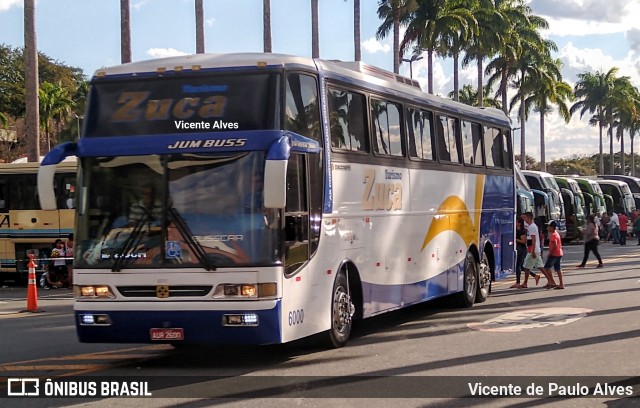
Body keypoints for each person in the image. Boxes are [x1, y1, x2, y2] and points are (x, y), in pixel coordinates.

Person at [521, 212, 556, 288]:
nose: (524, 220)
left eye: (525, 218)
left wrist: (532, 251)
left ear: (529, 218)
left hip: (533, 250)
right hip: (534, 249)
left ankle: (525, 283)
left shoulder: (532, 227)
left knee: (526, 267)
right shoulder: (530, 227)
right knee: (539, 266)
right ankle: (550, 280)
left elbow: (534, 239)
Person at [544, 221, 564, 289]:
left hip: (554, 254)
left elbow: (554, 245)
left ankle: (552, 282)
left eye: (548, 226)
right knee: (558, 269)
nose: (547, 228)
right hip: (559, 253)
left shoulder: (553, 235)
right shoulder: (556, 233)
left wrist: (550, 253)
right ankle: (561, 284)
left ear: (552, 227)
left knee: (547, 267)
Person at [511, 216, 527, 289]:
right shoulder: (515, 230)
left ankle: (518, 282)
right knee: (521, 267)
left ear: (519, 223)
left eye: (516, 222)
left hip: (521, 249)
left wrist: (516, 240)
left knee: (518, 266)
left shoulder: (522, 231)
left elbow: (524, 241)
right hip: (517, 248)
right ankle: (535, 275)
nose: (515, 223)